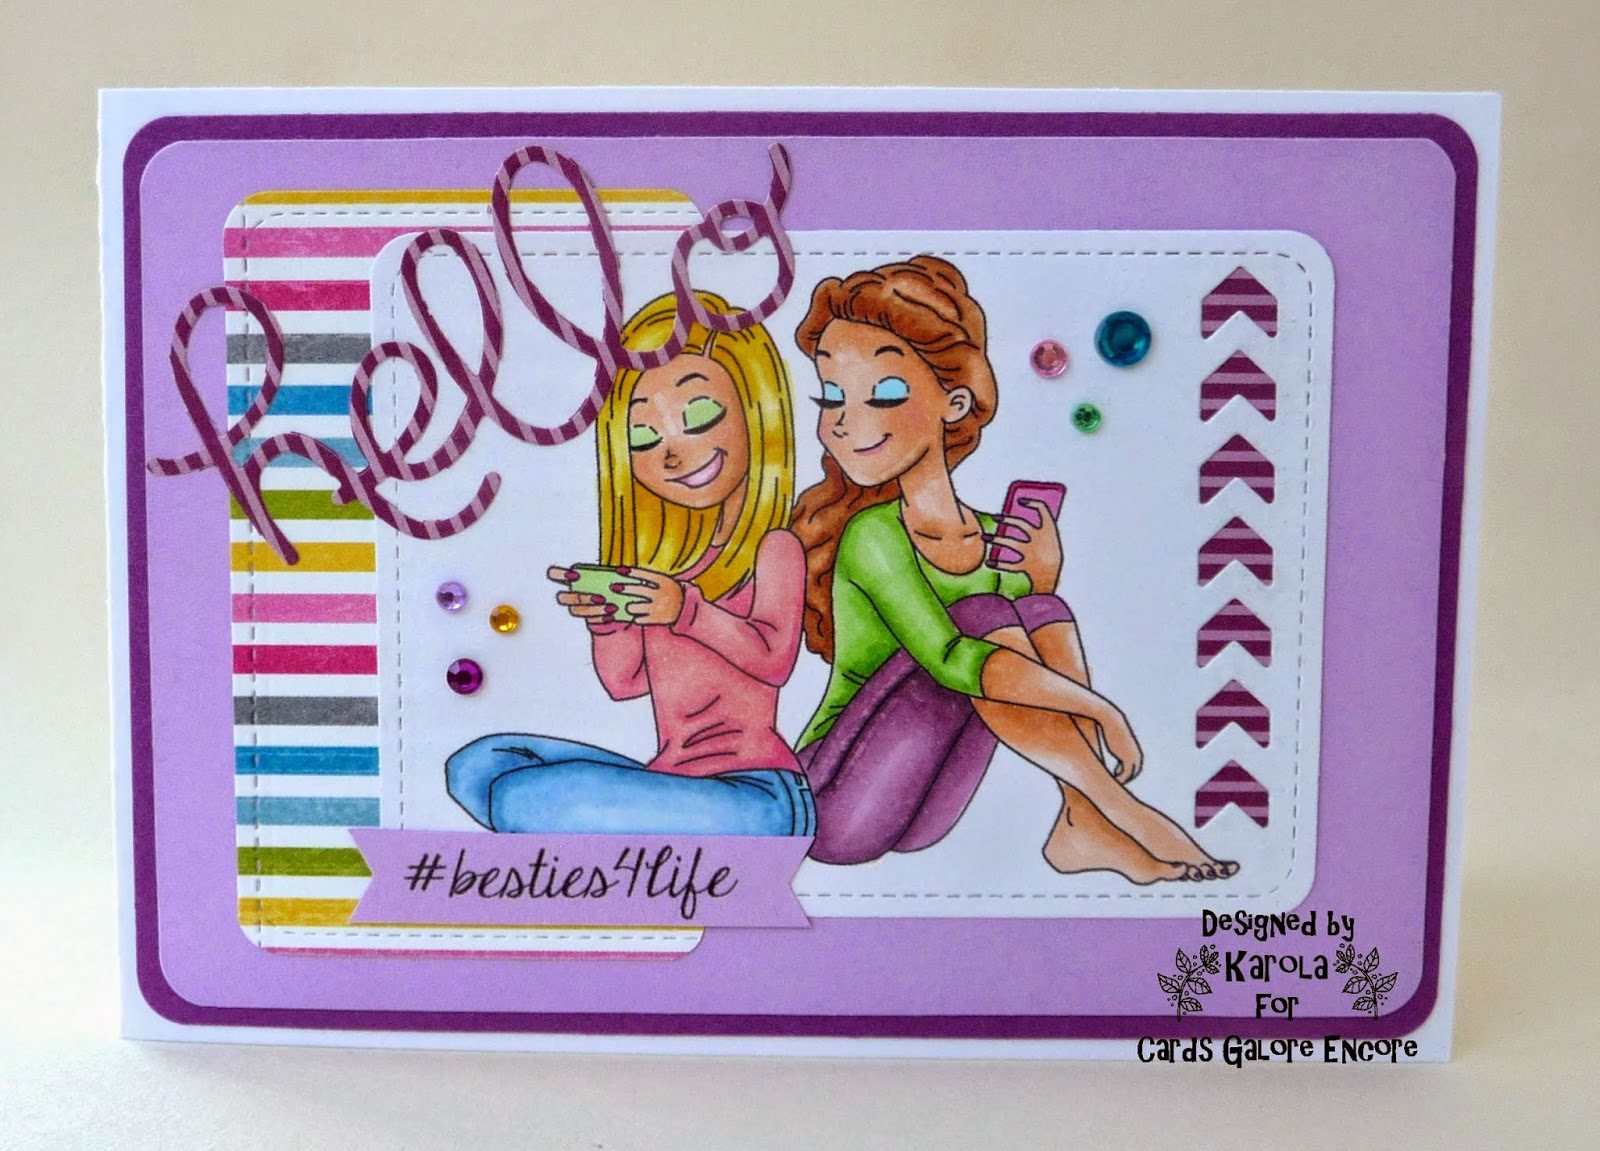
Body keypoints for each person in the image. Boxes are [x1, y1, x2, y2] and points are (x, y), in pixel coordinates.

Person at [789, 256, 1234, 882]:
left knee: (1034, 608)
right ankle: (1117, 807)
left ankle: (1081, 819)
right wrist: (1103, 710)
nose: (842, 419)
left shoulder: (998, 537)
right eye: (831, 395)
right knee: (982, 616)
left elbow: (1022, 662)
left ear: (954, 403)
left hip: (928, 806)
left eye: (883, 394)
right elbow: (951, 658)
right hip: (834, 803)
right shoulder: (873, 537)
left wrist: (1042, 582)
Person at [446, 291, 814, 837]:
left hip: (759, 797)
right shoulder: (672, 564)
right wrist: (609, 620)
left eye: (701, 415)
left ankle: (611, 833)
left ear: (756, 410)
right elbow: (626, 683)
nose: (673, 451)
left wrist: (683, 610)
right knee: (478, 766)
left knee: (524, 797)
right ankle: (626, 825)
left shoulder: (773, 547)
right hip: (673, 780)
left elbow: (774, 659)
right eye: (643, 436)